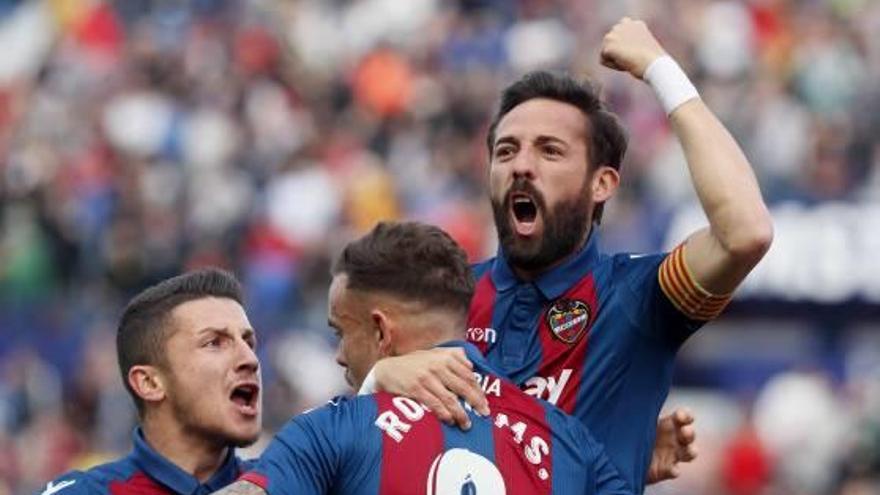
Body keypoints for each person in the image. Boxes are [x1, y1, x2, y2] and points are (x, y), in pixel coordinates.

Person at [365, 18, 773, 493]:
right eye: (506, 151)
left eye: (550, 151)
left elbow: (745, 231)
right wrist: (378, 377)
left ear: (602, 184)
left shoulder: (635, 299)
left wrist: (661, 70)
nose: (521, 165)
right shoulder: (444, 301)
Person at [214, 221, 633, 495]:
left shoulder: (333, 431)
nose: (339, 355)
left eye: (342, 332)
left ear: (381, 331)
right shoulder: (568, 440)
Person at [38, 269, 263, 494]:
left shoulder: (283, 486)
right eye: (214, 342)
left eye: (248, 342)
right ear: (149, 383)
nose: (250, 359)